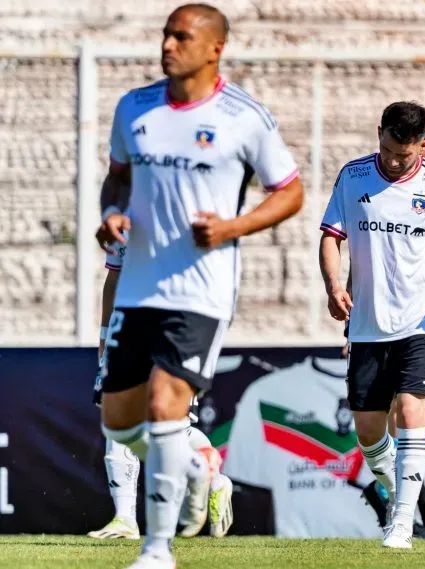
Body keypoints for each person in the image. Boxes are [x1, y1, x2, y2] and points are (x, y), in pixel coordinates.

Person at [94, 4, 304, 567]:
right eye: (165, 33)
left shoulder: (245, 117)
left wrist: (234, 227)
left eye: (181, 36)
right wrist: (112, 215)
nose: (168, 44)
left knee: (166, 404)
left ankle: (157, 549)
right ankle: (199, 469)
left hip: (202, 290)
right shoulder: (133, 108)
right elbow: (117, 180)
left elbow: (290, 191)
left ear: (214, 49)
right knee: (119, 421)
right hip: (136, 286)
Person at [318, 101, 425, 549]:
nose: (392, 160)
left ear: (422, 146)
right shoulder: (353, 176)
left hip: (421, 321)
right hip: (367, 325)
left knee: (412, 412)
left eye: (403, 155)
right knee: (368, 432)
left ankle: (403, 523)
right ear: (379, 133)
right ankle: (401, 485)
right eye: (387, 149)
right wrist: (333, 286)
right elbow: (331, 237)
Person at [90, 230, 230, 541]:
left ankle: (199, 476)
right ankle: (130, 515)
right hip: (129, 326)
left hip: (177, 326)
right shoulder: (124, 207)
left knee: (167, 421)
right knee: (121, 418)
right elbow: (113, 278)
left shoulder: (183, 202)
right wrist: (104, 333)